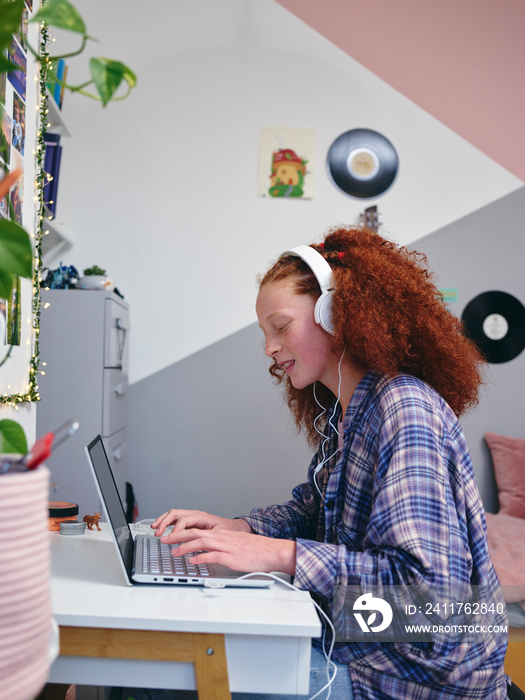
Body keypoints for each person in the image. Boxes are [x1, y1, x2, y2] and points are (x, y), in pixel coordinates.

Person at [152, 225, 511, 699]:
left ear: (336, 313)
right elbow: (313, 511)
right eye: (265, 334)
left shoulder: (404, 411)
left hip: (408, 679)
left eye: (280, 327)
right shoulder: (345, 411)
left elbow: (428, 602)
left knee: (167, 676)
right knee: (164, 659)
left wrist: (282, 556)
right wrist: (240, 529)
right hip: (358, 649)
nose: (269, 348)